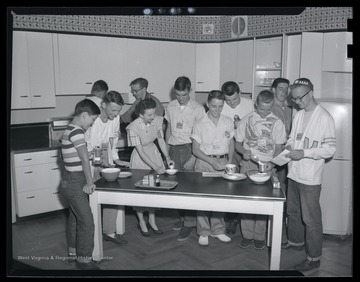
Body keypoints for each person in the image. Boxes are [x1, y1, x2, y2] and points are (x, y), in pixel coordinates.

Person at [282, 78, 336, 271]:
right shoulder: (299, 114)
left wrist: (305, 153)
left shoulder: (324, 118)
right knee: (292, 212)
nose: (297, 102)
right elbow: (292, 137)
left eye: (299, 98)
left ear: (311, 93)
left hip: (310, 177)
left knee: (311, 219)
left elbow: (330, 149)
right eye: (294, 99)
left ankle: (314, 258)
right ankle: (296, 242)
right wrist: (289, 146)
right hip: (294, 173)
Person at [235, 90, 286, 250]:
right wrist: (244, 152)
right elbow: (237, 143)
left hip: (267, 165)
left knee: (263, 202)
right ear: (256, 104)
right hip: (249, 164)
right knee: (246, 202)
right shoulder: (246, 120)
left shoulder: (277, 122)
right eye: (262, 109)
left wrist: (273, 163)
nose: (264, 113)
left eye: (268, 110)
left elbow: (279, 147)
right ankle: (247, 235)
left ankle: (259, 236)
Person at [60, 99, 101, 270]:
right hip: (76, 181)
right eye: (92, 120)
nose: (91, 125)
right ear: (84, 115)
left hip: (68, 179)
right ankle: (84, 262)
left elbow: (72, 156)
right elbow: (83, 159)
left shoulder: (68, 130)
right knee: (87, 221)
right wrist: (90, 181)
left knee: (75, 218)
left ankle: (73, 253)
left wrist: (88, 153)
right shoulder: (77, 132)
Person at [164, 76, 206, 241]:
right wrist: (166, 154)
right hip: (174, 149)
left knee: (189, 188)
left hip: (190, 150)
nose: (180, 98)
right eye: (177, 94)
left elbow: (202, 136)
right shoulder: (170, 106)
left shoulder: (198, 109)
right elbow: (168, 129)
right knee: (176, 186)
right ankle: (183, 219)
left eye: (183, 94)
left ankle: (189, 224)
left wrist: (194, 158)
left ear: (190, 91)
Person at [85, 91, 129, 246]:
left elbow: (112, 140)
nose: (116, 114)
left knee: (113, 195)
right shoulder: (93, 120)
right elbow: (89, 146)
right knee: (92, 199)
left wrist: (115, 159)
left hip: (105, 156)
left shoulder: (115, 118)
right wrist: (99, 162)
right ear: (103, 105)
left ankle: (109, 231)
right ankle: (92, 235)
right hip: (90, 158)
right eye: (113, 110)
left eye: (119, 111)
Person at [191, 90, 234, 246]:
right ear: (208, 104)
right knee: (202, 199)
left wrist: (229, 161)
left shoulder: (228, 121)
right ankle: (203, 231)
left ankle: (218, 230)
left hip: (222, 162)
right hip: (204, 163)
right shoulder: (199, 123)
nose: (217, 110)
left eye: (220, 107)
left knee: (219, 199)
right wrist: (211, 161)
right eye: (214, 106)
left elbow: (231, 143)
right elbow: (195, 150)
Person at [126, 97, 174, 236]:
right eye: (150, 115)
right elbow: (140, 152)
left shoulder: (158, 120)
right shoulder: (133, 128)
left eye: (154, 113)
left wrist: (167, 158)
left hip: (153, 153)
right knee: (141, 192)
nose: (153, 117)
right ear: (141, 114)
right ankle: (141, 221)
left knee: (154, 191)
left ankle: (152, 221)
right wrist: (156, 167)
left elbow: (161, 140)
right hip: (141, 159)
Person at [221, 81, 254, 235]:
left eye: (234, 99)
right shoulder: (221, 105)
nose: (231, 103)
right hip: (230, 147)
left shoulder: (250, 104)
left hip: (247, 148)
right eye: (228, 100)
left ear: (240, 93)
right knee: (232, 184)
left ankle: (248, 221)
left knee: (247, 184)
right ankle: (232, 219)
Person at [270, 77, 292, 244]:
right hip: (272, 155)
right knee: (271, 192)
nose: (284, 92)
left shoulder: (290, 109)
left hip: (286, 155)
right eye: (281, 88)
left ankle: (279, 232)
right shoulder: (269, 108)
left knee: (283, 192)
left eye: (286, 89)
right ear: (273, 90)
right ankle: (270, 234)